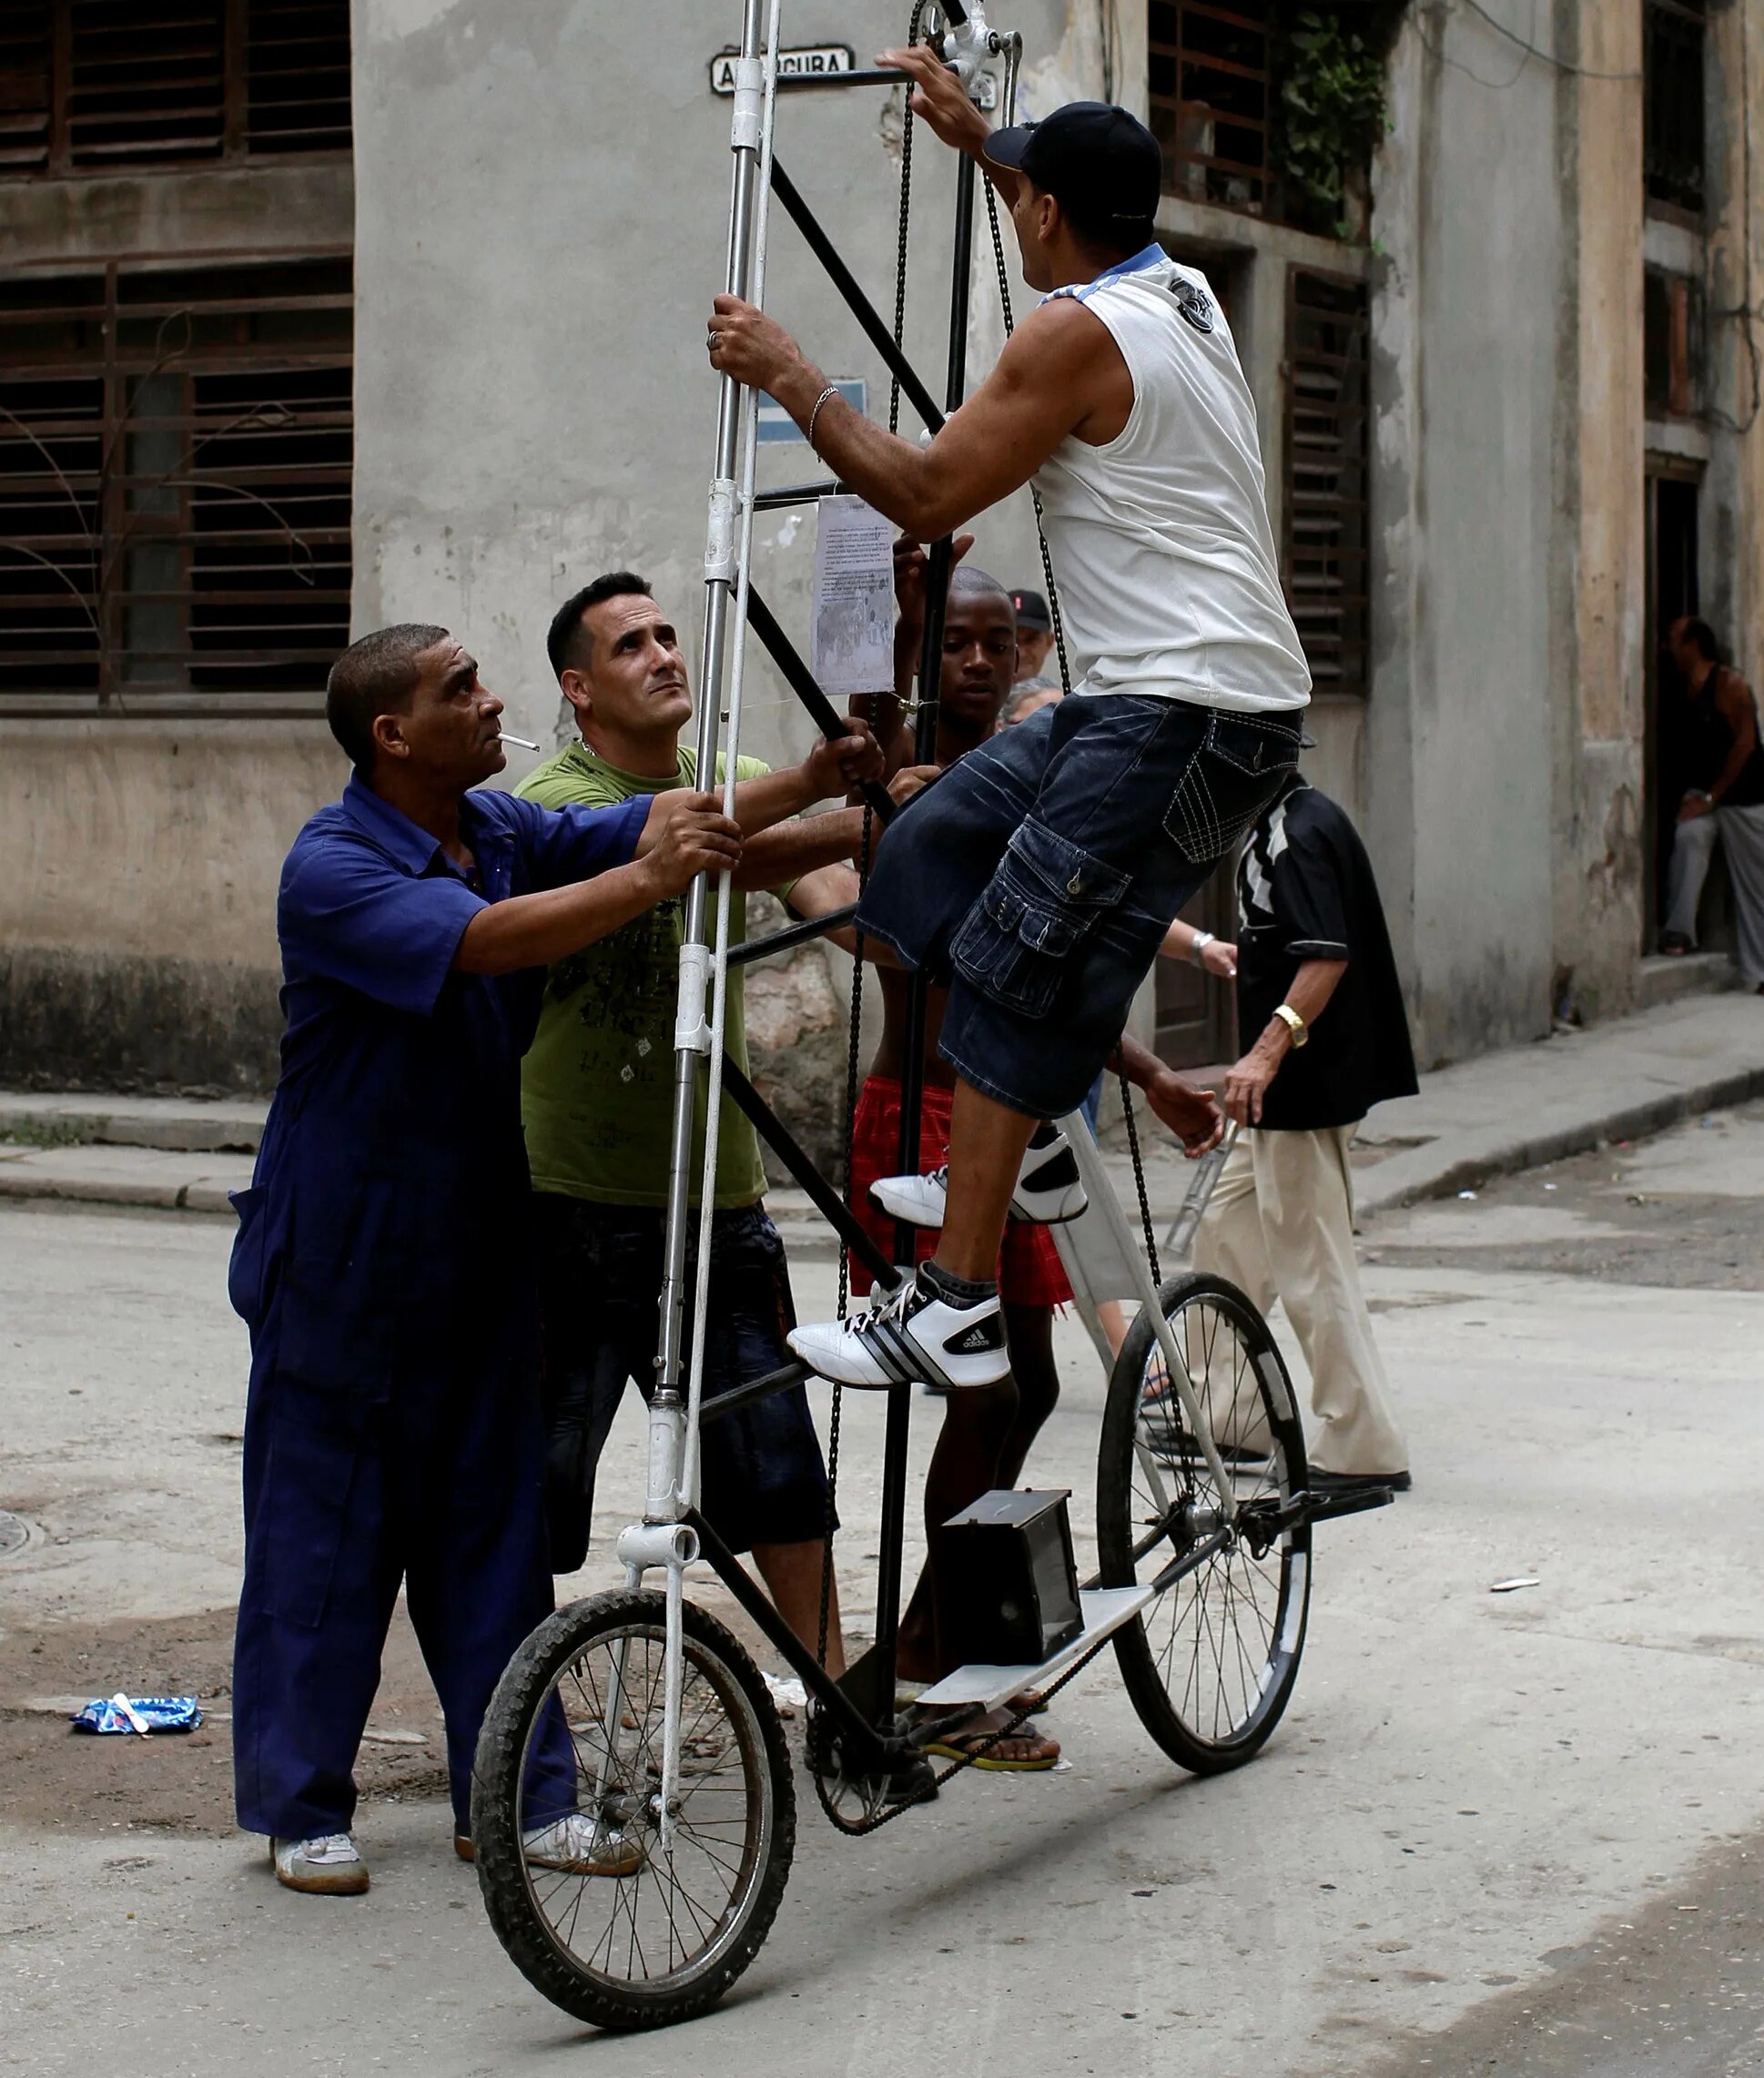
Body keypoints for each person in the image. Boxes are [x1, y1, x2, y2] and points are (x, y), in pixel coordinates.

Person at [708, 57, 1310, 1393]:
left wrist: (795, 375)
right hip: (1179, 705)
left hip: (1178, 712)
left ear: (1043, 215)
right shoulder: (1183, 292)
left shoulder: (1067, 337)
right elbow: (1066, 207)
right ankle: (1025, 1142)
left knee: (1022, 965)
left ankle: (956, 1304)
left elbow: (924, 494)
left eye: (1021, 188)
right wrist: (986, 139)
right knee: (920, 856)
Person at [229, 624, 741, 1897]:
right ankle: (301, 1807)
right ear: (391, 734)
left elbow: (659, 826)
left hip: (475, 1234)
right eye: (460, 689)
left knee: (493, 1528)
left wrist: (845, 782)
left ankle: (514, 1795)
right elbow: (489, 943)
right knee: (324, 1536)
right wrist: (650, 879)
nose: (490, 697)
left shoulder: (495, 827)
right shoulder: (335, 866)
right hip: (340, 1249)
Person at [834, 548, 1223, 1764]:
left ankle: (932, 1641)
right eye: (957, 639)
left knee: (1038, 1385)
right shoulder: (910, 789)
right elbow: (876, 758)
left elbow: (1051, 974)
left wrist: (1153, 1074)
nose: (982, 660)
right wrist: (899, 635)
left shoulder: (1032, 781)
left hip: (1009, 1119)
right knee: (986, 1388)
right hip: (929, 1121)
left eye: (1000, 641)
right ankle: (927, 1662)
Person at [514, 572, 884, 1670]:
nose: (665, 654)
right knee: (534, 1479)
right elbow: (688, 843)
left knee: (772, 1463)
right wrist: (816, 794)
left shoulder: (732, 783)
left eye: (669, 634)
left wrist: (905, 850)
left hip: (713, 1194)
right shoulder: (548, 804)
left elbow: (830, 902)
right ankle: (519, 1736)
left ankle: (832, 1697)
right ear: (580, 689)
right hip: (564, 1198)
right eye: (631, 645)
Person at [1194, 770, 1415, 1495]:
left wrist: (1263, 1053)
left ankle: (1364, 1444)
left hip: (1303, 1088)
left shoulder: (1296, 832)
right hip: (1282, 1092)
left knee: (1311, 1264)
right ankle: (1233, 1413)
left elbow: (1325, 956)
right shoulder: (1275, 825)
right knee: (1225, 1232)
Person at [1659, 616, 1764, 994]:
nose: (1667, 646)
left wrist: (1713, 797)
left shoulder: (1731, 685)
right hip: (1707, 793)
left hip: (1744, 795)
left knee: (1754, 883)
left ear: (1693, 645)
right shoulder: (1680, 689)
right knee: (1688, 838)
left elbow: (1745, 746)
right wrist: (1699, 799)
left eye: (1673, 639)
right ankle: (1679, 931)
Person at [1008, 586, 1055, 686]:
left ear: (1049, 642)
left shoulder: (1062, 699)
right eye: (1010, 641)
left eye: (1031, 640)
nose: (1021, 653)